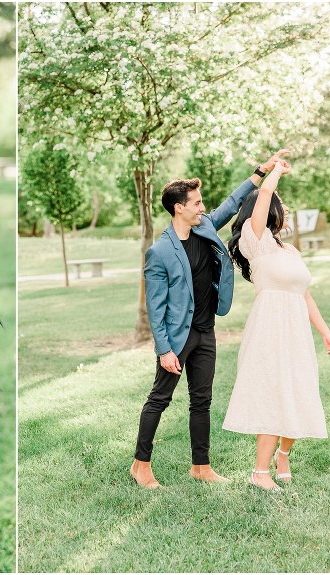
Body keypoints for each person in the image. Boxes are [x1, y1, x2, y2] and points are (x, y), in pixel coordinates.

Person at [130, 149, 290, 489]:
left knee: (202, 401)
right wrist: (164, 349)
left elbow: (232, 203)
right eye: (197, 202)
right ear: (180, 208)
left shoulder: (204, 228)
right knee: (160, 398)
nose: (203, 207)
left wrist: (262, 170)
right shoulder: (159, 252)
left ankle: (201, 466)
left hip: (206, 331)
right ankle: (140, 464)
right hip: (177, 338)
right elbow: (156, 308)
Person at [222, 160, 330, 492]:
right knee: (273, 393)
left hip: (296, 329)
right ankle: (259, 473)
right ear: (268, 210)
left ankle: (283, 455)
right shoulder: (253, 239)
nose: (285, 210)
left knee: (299, 390)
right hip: (269, 327)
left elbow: (304, 295)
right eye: (282, 206)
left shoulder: (288, 249)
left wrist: (326, 333)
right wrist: (274, 171)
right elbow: (265, 194)